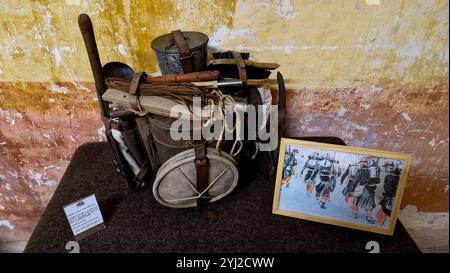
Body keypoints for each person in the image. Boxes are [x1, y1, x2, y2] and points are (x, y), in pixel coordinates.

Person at [351, 157, 380, 224]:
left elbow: (355, 181)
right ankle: (368, 218)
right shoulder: (373, 170)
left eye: (361, 162)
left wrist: (352, 190)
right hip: (370, 189)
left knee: (356, 201)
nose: (362, 164)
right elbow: (378, 180)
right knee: (369, 204)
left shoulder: (361, 170)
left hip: (361, 189)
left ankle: (355, 213)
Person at [376, 161, 400, 226]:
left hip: (388, 197)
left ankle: (379, 225)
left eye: (390, 168)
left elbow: (388, 188)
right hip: (388, 197)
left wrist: (386, 196)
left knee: (383, 211)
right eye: (388, 167)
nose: (389, 169)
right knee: (383, 211)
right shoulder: (393, 176)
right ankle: (380, 224)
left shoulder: (389, 176)